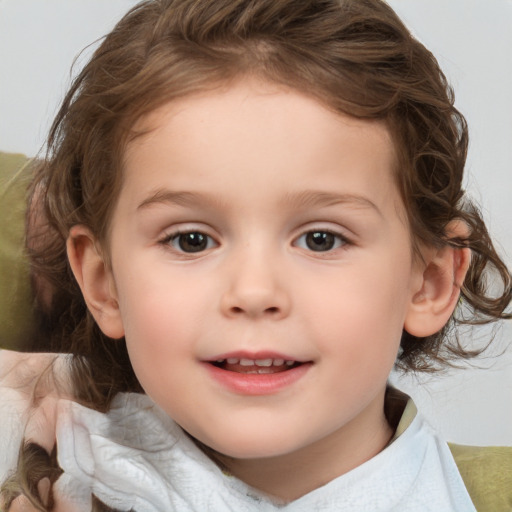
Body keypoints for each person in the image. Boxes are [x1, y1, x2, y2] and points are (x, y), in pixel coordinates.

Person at [0, 0, 511, 510]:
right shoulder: (40, 477)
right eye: (191, 240)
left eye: (321, 239)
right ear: (102, 281)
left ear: (429, 282)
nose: (254, 292)